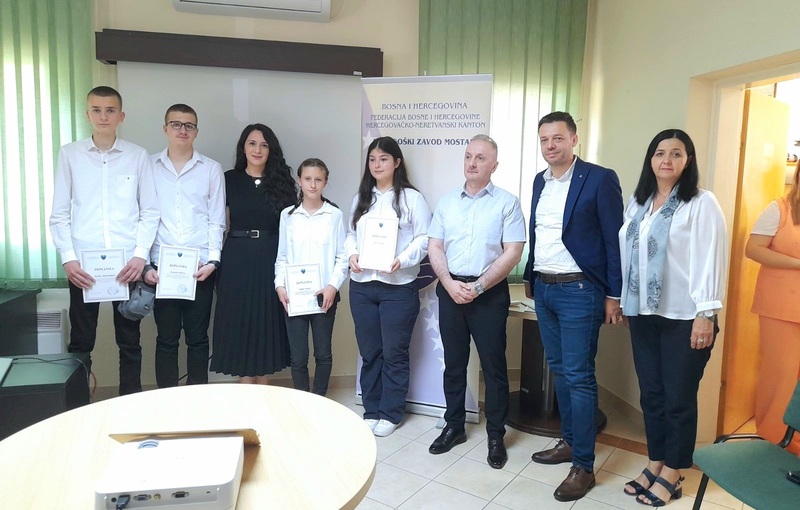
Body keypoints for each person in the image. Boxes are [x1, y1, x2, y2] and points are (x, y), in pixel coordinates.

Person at [619, 129, 727, 506]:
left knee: (678, 397)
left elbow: (711, 258)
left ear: (688, 160)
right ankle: (656, 462)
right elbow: (629, 256)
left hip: (686, 316)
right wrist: (626, 301)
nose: (667, 160)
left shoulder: (700, 202)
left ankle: (675, 471)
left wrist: (706, 313)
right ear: (651, 159)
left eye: (676, 153)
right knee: (652, 395)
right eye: (660, 152)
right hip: (644, 315)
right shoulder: (638, 202)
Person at [523, 111, 623, 502]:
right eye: (544, 139)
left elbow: (613, 240)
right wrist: (531, 277)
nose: (550, 145)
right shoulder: (540, 181)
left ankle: (583, 465)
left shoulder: (599, 178)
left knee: (579, 376)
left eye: (558, 138)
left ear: (574, 139)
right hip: (545, 288)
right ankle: (569, 441)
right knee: (560, 370)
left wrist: (614, 295)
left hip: (580, 290)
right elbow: (539, 233)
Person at [49, 86, 159, 395]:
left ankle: (130, 406)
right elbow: (59, 214)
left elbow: (150, 211)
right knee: (81, 342)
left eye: (110, 110)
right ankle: (77, 407)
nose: (103, 116)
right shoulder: (70, 154)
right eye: (96, 110)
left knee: (130, 342)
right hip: (83, 265)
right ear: (87, 114)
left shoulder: (137, 156)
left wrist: (140, 255)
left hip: (127, 264)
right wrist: (68, 259)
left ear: (121, 116)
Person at [428, 134, 526, 469]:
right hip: (451, 289)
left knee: (494, 368)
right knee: (454, 364)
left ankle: (496, 435)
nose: (472, 163)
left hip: (489, 294)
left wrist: (479, 286)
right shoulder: (447, 202)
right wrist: (449, 283)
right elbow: (435, 246)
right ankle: (454, 426)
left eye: (480, 158)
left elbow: (513, 252)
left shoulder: (507, 203)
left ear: (494, 165)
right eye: (468, 156)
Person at [347, 136, 431, 437]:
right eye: (372, 159)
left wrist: (402, 259)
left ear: (396, 162)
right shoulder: (361, 198)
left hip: (398, 287)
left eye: (383, 159)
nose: (377, 164)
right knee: (370, 352)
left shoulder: (412, 199)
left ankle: (391, 413)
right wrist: (352, 254)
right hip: (362, 286)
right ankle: (371, 410)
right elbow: (350, 235)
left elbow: (425, 238)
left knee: (394, 353)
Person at [143, 104, 225, 388]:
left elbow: (216, 219)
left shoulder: (211, 169)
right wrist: (145, 265)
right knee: (166, 339)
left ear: (196, 132)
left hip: (199, 267)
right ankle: (166, 399)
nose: (182, 130)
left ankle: (197, 400)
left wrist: (213, 261)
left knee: (198, 339)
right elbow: (142, 217)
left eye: (189, 125)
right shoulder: (148, 166)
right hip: (161, 268)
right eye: (176, 124)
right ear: (165, 128)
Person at [210, 124, 296, 384]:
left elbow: (292, 228)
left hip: (271, 257)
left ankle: (264, 385)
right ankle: (245, 385)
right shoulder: (228, 179)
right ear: (243, 147)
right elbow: (219, 222)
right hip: (236, 257)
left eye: (264, 145)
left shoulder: (282, 182)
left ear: (271, 150)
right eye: (252, 143)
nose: (257, 150)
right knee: (240, 320)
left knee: (266, 321)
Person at [275, 158, 348, 396]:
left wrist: (332, 286)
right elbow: (282, 256)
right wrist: (279, 285)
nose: (313, 185)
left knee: (323, 354)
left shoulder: (334, 215)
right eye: (308, 179)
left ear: (325, 182)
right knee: (298, 356)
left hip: (324, 295)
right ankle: (302, 401)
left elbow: (342, 257)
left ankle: (319, 400)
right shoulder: (288, 216)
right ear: (299, 180)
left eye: (318, 179)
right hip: (294, 296)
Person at [745, 159, 800, 454]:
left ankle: (794, 434)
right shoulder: (779, 208)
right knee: (782, 374)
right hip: (780, 308)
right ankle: (774, 434)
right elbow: (753, 249)